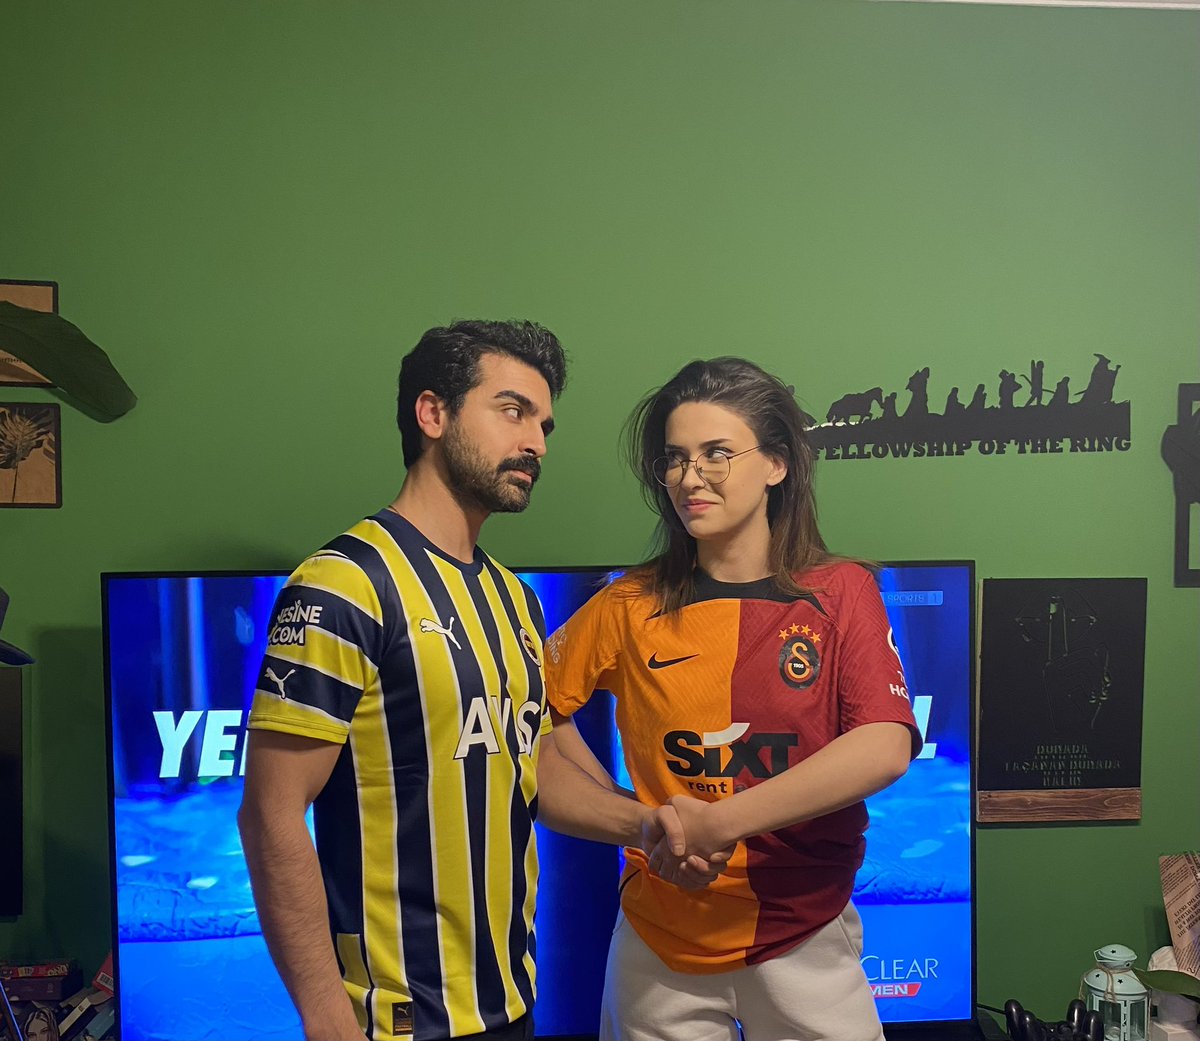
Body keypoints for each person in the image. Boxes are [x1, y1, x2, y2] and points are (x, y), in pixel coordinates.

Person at [240, 319, 649, 1041]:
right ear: (432, 413)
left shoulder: (516, 600)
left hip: (510, 1004)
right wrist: (326, 1015)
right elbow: (271, 813)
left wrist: (651, 825)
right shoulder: (343, 583)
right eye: (513, 411)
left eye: (544, 424)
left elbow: (536, 769)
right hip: (392, 1019)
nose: (537, 443)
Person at [536, 357, 922, 1041]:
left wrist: (717, 824)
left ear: (776, 464)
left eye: (717, 453)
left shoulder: (841, 591)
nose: (690, 477)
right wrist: (640, 822)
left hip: (806, 935)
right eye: (675, 458)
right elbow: (530, 719)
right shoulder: (627, 603)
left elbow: (885, 744)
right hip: (658, 942)